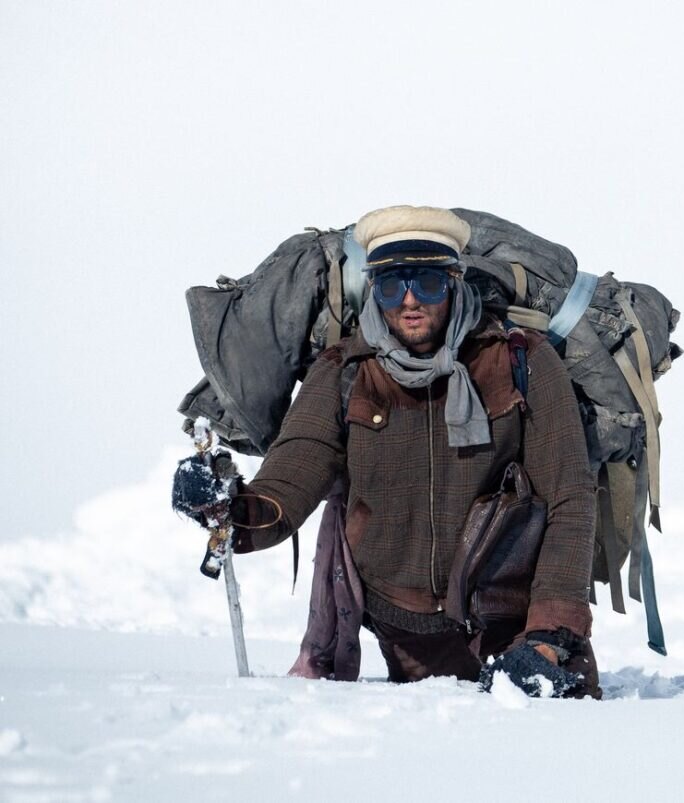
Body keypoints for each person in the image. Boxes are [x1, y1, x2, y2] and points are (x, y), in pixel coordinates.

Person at [174, 205, 601, 697]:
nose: (410, 301)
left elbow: (570, 499)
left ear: (455, 282)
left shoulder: (523, 360)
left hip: (520, 628)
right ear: (375, 288)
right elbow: (286, 486)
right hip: (409, 641)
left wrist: (549, 636)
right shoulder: (343, 373)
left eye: (428, 283)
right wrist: (223, 506)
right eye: (393, 284)